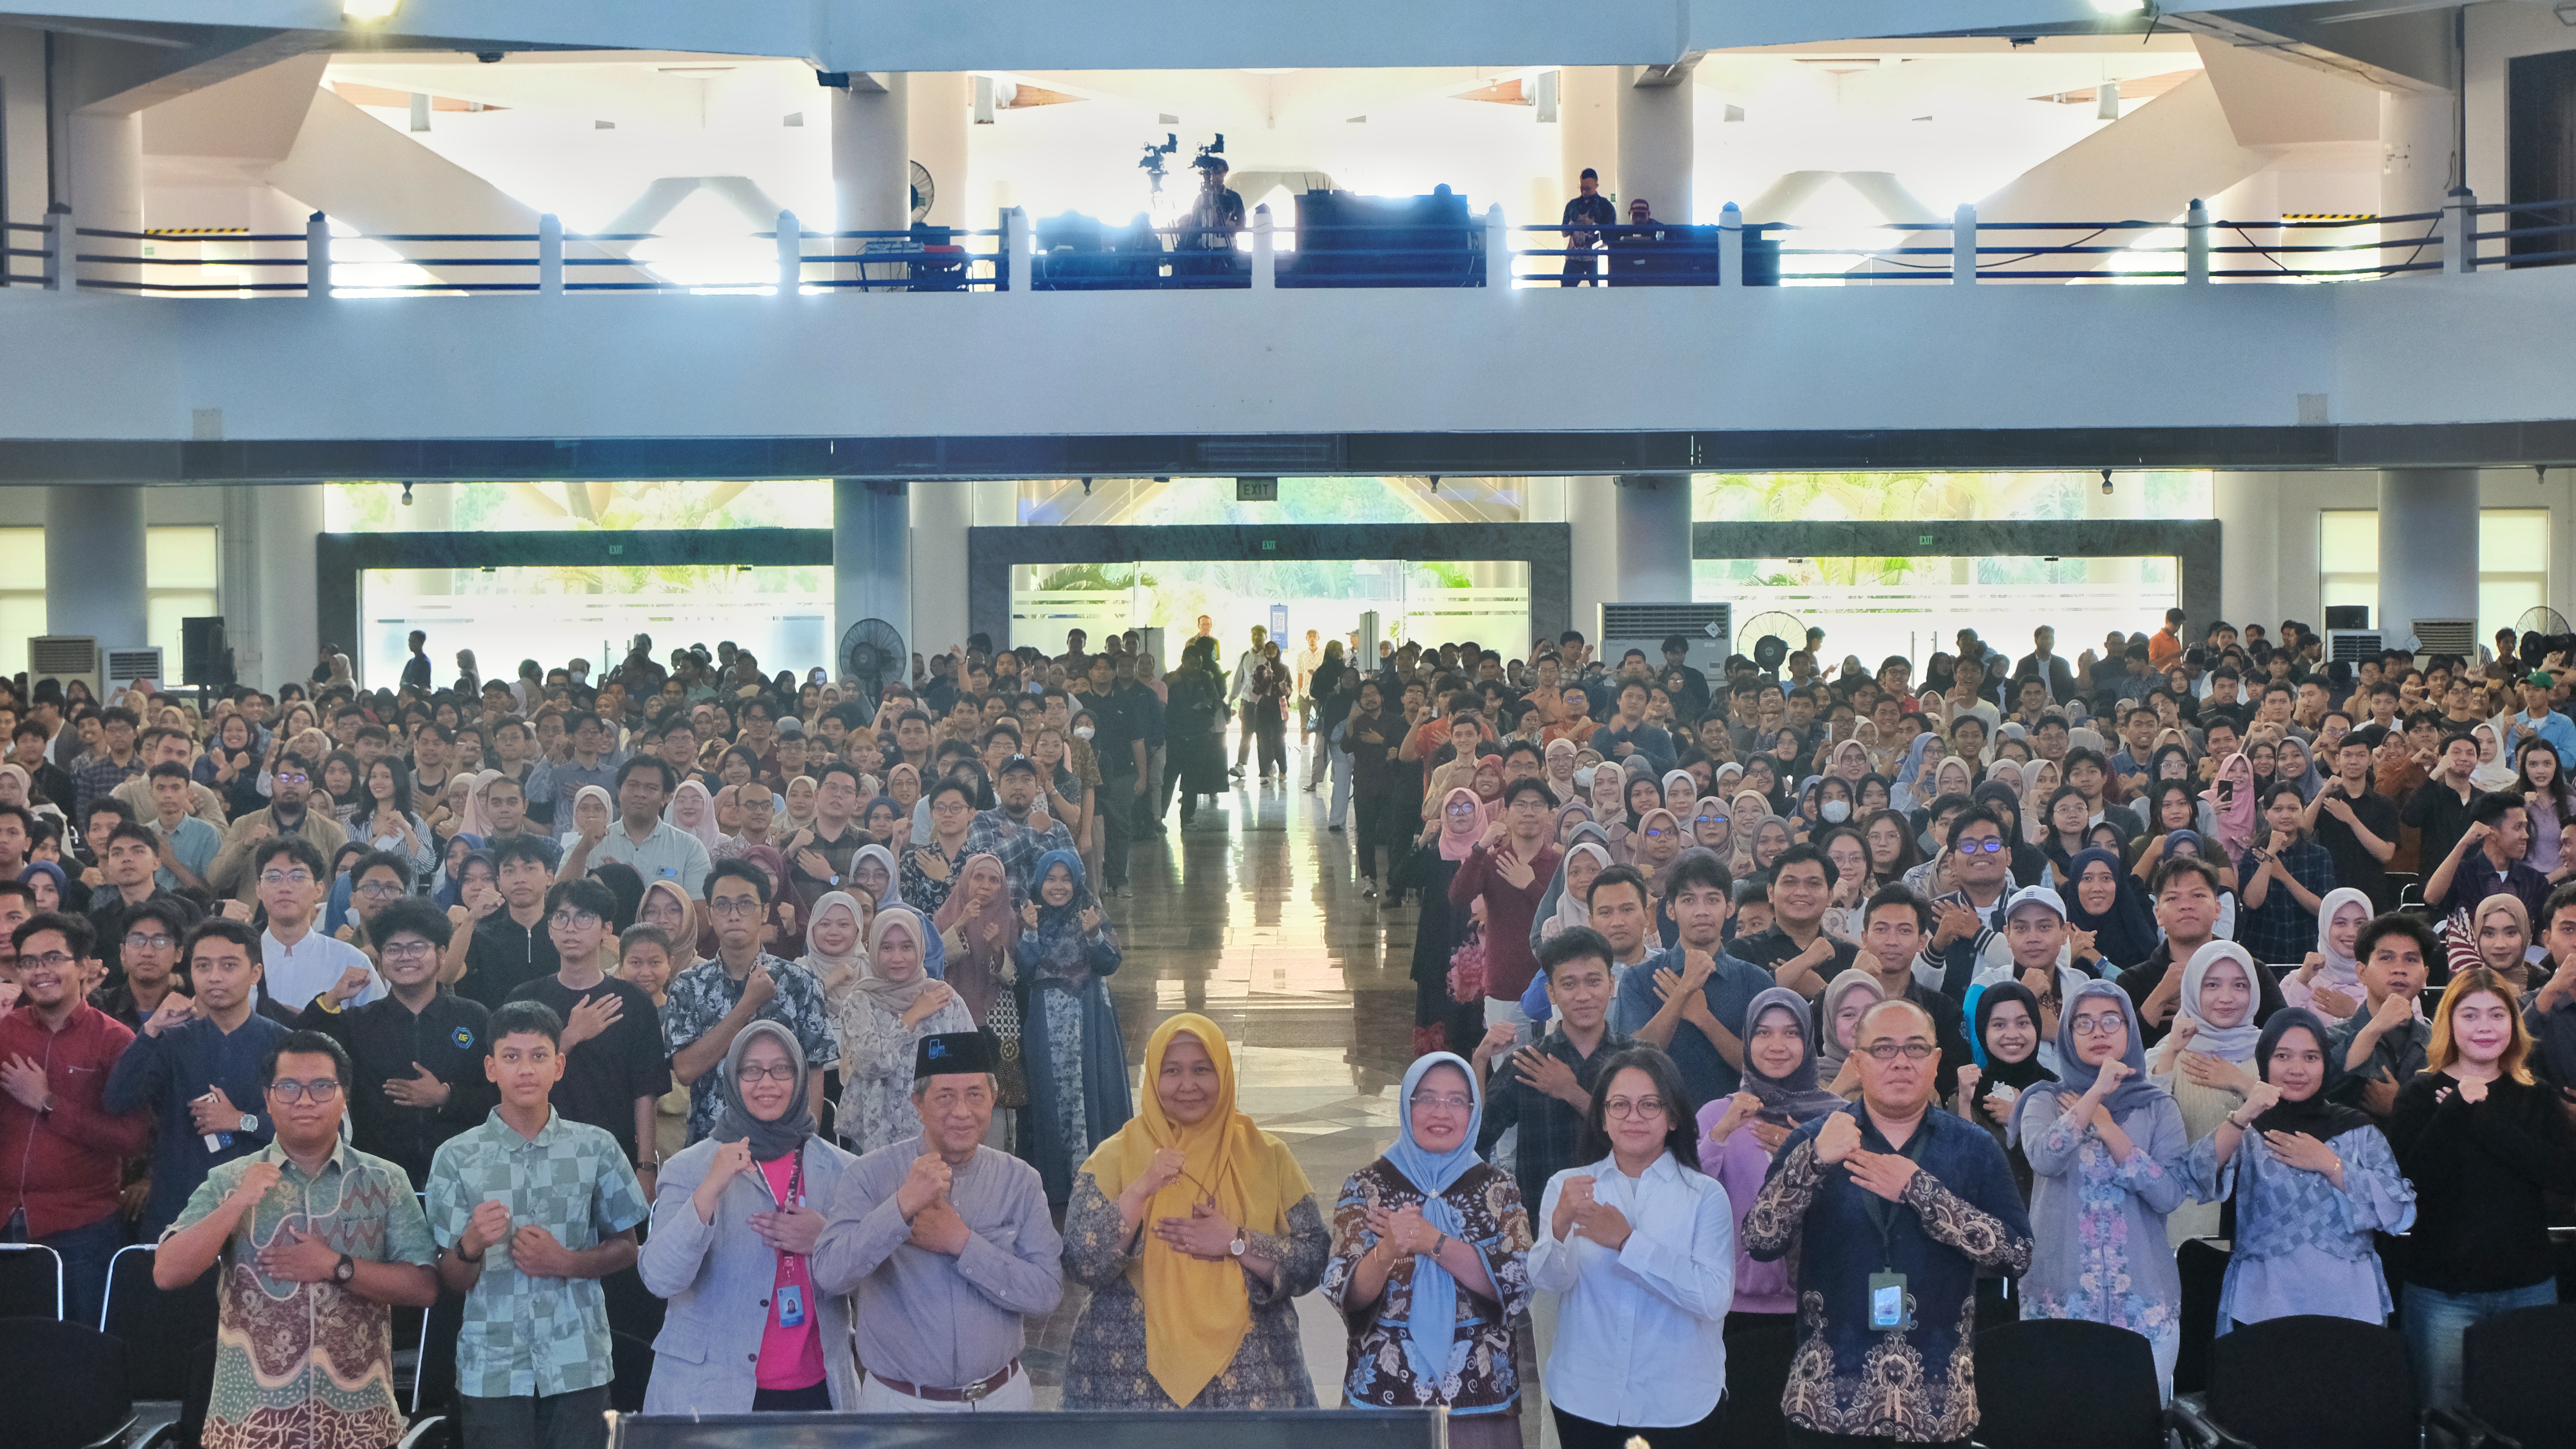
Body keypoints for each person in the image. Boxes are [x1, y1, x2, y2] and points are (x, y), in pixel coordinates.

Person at [1743, 996, 2035, 1447]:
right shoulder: (1814, 1139)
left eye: (1915, 1048)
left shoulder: (1973, 1147)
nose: (1900, 1061)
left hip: (1936, 1409)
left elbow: (2017, 1254)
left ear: (1936, 1061)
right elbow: (1760, 1239)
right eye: (1882, 1049)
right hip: (1827, 1404)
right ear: (1857, 1062)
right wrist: (1814, 1162)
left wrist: (1922, 1192)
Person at [152, 1030, 440, 1449]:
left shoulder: (385, 1180)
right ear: (268, 1098)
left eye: (322, 1086)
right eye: (288, 1086)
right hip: (250, 1427)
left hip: (359, 1425)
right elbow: (167, 1273)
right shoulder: (230, 1180)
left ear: (344, 1096)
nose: (305, 1100)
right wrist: (238, 1204)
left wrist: (335, 1266)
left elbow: (424, 1287)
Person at [1061, 1012, 1327, 1410]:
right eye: (1172, 1071)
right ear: (1152, 1077)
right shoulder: (1114, 1156)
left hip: (1251, 1389)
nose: (1188, 1085)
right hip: (1129, 1388)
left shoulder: (1267, 1155)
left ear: (1223, 1072)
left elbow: (1313, 1260)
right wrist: (1141, 1188)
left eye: (1202, 1070)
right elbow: (1082, 1263)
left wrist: (1237, 1242)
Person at [428, 999, 650, 1449]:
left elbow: (628, 1247)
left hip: (577, 1362)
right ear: (491, 1067)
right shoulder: (456, 1156)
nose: (525, 1069)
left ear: (559, 1065)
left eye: (538, 1056)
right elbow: (451, 1279)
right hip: (492, 1368)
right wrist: (470, 1245)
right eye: (511, 1057)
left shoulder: (597, 1147)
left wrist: (565, 1261)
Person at [810, 1031, 1064, 1412]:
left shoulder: (1020, 1181)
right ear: (918, 1104)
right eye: (945, 1096)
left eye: (975, 1095)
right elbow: (830, 1275)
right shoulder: (870, 1176)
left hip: (1001, 1402)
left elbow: (1046, 1293)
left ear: (993, 1099)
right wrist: (900, 1207)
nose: (961, 1111)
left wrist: (961, 1242)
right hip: (901, 1407)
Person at [639, 1019, 860, 1412]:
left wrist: (826, 1241)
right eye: (752, 1070)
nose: (767, 1083)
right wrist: (710, 1190)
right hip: (710, 1396)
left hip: (818, 1393)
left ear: (799, 1076)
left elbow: (870, 1283)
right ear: (732, 1078)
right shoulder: (690, 1168)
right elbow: (659, 1278)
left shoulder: (842, 1169)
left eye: (782, 1069)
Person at [2385, 967, 2576, 1408]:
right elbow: (2410, 1183)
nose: (2485, 1026)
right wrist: (2454, 1111)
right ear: (2449, 1022)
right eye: (2470, 1015)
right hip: (2442, 1293)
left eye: (2497, 1014)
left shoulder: (2537, 1095)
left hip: (2528, 1285)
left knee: (2527, 1414)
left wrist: (2483, 1118)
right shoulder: (2419, 1094)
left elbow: (2563, 1176)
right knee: (2444, 1421)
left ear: (2514, 1024)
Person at [1522, 1043, 1728, 1449]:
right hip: (1586, 1397)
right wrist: (1560, 1226)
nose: (1634, 1117)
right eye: (1620, 1105)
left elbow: (1712, 1298)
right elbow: (1548, 1282)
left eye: (1650, 1105)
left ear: (1673, 1117)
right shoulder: (1569, 1186)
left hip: (1677, 1402)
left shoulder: (1704, 1196)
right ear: (1602, 1117)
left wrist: (1628, 1241)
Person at [1323, 1052, 1532, 1448]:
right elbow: (1344, 1290)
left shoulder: (1499, 1188)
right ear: (1407, 1105)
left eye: (1457, 1100)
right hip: (1385, 1401)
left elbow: (1519, 1282)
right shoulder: (1367, 1186)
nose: (1442, 1111)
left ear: (1473, 1111)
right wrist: (1386, 1252)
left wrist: (1434, 1243)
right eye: (1427, 1098)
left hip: (1481, 1399)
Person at [2182, 1006, 2414, 1331]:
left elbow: (2399, 1211)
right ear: (2264, 1061)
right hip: (2264, 1305)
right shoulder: (2248, 1131)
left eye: (2310, 1057)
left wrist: (2330, 1165)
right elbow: (2193, 1176)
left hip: (2349, 1306)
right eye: (2282, 1056)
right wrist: (2245, 1114)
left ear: (2326, 1064)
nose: (2297, 1069)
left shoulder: (2357, 1130)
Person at [2011, 981, 2189, 1395]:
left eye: (2111, 1020)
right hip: (2060, 1298)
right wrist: (2093, 1096)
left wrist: (2111, 1132)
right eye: (2083, 1023)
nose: (2098, 1032)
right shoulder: (2042, 1100)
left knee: (2139, 1425)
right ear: (2068, 1037)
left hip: (2142, 1302)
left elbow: (2170, 1194)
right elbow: (2044, 1157)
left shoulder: (2156, 1105)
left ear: (2130, 1031)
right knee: (2061, 1423)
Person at [1698, 988, 1848, 1449]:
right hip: (1735, 1312)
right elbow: (1687, 1195)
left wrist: (1800, 1146)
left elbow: (1849, 1204)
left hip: (1815, 1309)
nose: (1776, 1045)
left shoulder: (1836, 1117)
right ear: (1747, 1041)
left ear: (1809, 1041)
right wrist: (1721, 1135)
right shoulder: (1715, 1113)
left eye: (1790, 1033)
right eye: (1763, 1032)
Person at [0, 912, 150, 1327]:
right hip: (4, 1216)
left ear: (84, 966)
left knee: (82, 1354)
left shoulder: (115, 1039)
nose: (40, 971)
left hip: (81, 1226)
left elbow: (132, 1139)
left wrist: (48, 1102)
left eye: (53, 958)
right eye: (28, 962)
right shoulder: (5, 1033)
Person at [294, 896, 496, 1189]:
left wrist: (446, 1097)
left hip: (464, 1177)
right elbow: (301, 1050)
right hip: (377, 1179)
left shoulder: (473, 1018)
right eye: (394, 949)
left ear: (441, 954)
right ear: (381, 958)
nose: (405, 957)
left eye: (418, 947)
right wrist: (332, 998)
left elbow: (498, 1096)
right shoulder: (360, 1022)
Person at [107, 918, 292, 1236]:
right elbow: (117, 1101)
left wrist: (242, 1121)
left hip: (263, 1210)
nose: (215, 977)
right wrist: (151, 1030)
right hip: (179, 1207)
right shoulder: (171, 1040)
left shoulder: (285, 1044)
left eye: (229, 966)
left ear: (255, 974)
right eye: (203, 966)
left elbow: (311, 1126)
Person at [505, 877, 671, 1193]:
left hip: (616, 1156)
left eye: (584, 917)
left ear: (607, 930)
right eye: (561, 918)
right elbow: (511, 1081)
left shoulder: (633, 1001)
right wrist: (569, 1036)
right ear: (550, 928)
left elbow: (645, 1093)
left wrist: (647, 1167)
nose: (571, 928)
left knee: (620, 1243)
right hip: (538, 1154)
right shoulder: (525, 999)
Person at [661, 860, 838, 1147]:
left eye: (745, 905)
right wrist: (747, 1005)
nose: (734, 916)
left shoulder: (799, 982)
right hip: (711, 1143)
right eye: (723, 906)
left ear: (765, 911)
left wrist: (807, 1147)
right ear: (710, 913)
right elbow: (685, 1071)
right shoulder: (688, 985)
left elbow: (814, 1072)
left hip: (783, 1143)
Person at [1014, 849, 1130, 1202]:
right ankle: (1056, 1185)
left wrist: (1094, 934)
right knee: (1049, 1095)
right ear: (1040, 881)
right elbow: (1023, 968)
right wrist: (1031, 931)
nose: (1058, 886)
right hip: (1046, 1021)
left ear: (1077, 880)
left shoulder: (1089, 912)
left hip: (1089, 1016)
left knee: (1092, 1089)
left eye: (1066, 879)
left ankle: (1099, 1176)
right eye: (1051, 878)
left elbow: (1109, 962)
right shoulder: (1029, 914)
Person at [1613, 852, 1773, 1103]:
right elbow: (1632, 1062)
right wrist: (1682, 992)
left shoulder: (1755, 980)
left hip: (1736, 1126)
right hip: (1659, 1127)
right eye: (1688, 900)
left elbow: (1768, 1068)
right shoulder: (1639, 978)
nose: (1701, 911)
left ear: (1730, 908)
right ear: (1670, 909)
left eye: (1712, 900)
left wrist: (1704, 1018)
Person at [830, 903, 973, 1155]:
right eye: (887, 948)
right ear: (873, 949)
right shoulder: (860, 1001)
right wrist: (914, 1015)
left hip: (937, 1137)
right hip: (875, 1140)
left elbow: (970, 1068)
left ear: (920, 948)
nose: (897, 958)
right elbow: (872, 1063)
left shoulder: (945, 1000)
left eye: (907, 947)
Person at [2145, 941, 2262, 1243]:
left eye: (2240, 985)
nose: (2226, 998)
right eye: (2212, 985)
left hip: (2263, 1218)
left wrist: (2244, 1083)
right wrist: (2171, 1053)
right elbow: (2146, 1130)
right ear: (2193, 989)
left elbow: (2294, 1128)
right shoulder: (2167, 1054)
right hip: (2188, 1223)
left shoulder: (2275, 1052)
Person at [2327, 913, 2435, 1123]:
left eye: (2411, 960)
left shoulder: (2440, 1043)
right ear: (2362, 972)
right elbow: (2329, 1098)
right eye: (2386, 958)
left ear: (2425, 976)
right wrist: (2373, 1029)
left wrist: (2402, 1107)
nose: (2399, 969)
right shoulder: (2331, 1038)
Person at [1952, 979, 2053, 1202]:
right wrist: (1965, 1104)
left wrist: (2023, 1117)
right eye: (1999, 1025)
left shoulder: (2055, 1090)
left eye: (2023, 1023)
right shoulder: (1968, 1091)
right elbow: (1961, 1171)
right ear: (1983, 1031)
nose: (2012, 1034)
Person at [2235, 783, 2335, 964]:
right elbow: (2252, 902)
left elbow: (2323, 909)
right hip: (2262, 951)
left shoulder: (2320, 855)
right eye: (2278, 809)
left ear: (2303, 810)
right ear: (2265, 813)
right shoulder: (2253, 855)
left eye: (2293, 809)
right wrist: (2270, 854)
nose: (2286, 815)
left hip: (2307, 950)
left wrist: (2283, 875)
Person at [1558, 167, 1616, 285]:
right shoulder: (1573, 205)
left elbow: (1611, 234)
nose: (1584, 192)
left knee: (1599, 290)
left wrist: (1593, 226)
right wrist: (1574, 225)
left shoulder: (1605, 206)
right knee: (1566, 290)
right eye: (1582, 188)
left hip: (1597, 256)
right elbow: (1564, 232)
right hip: (1574, 256)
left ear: (1596, 185)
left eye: (1588, 189)